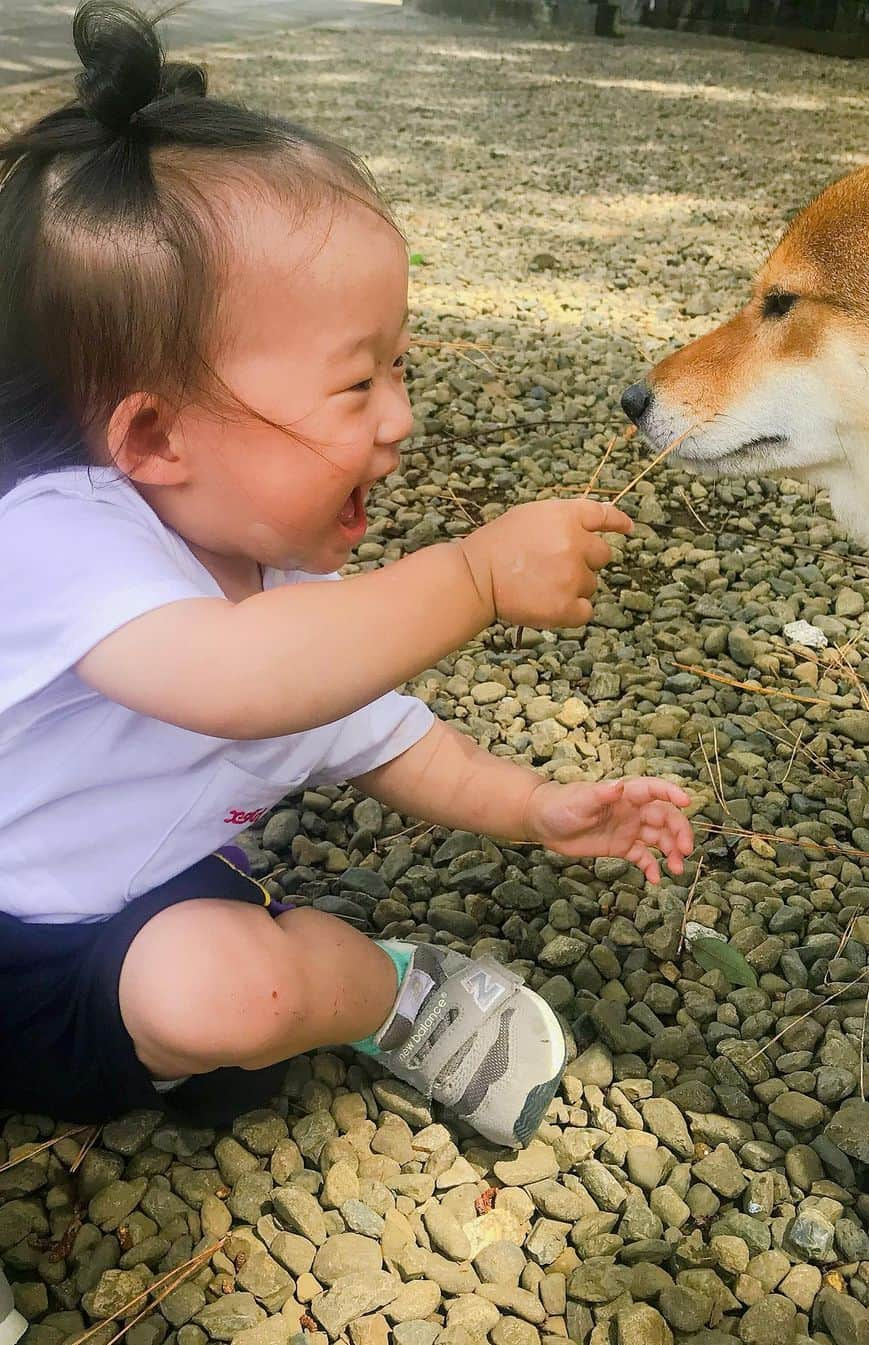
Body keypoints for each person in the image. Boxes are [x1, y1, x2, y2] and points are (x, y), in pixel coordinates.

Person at [0, 2, 694, 1149]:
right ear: (155, 439)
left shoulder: (305, 626)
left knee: (235, 991)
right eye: (356, 386)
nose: (404, 421)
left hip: (123, 966)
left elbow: (395, 740)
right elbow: (234, 678)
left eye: (401, 370)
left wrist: (534, 806)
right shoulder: (57, 534)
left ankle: (386, 992)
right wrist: (470, 575)